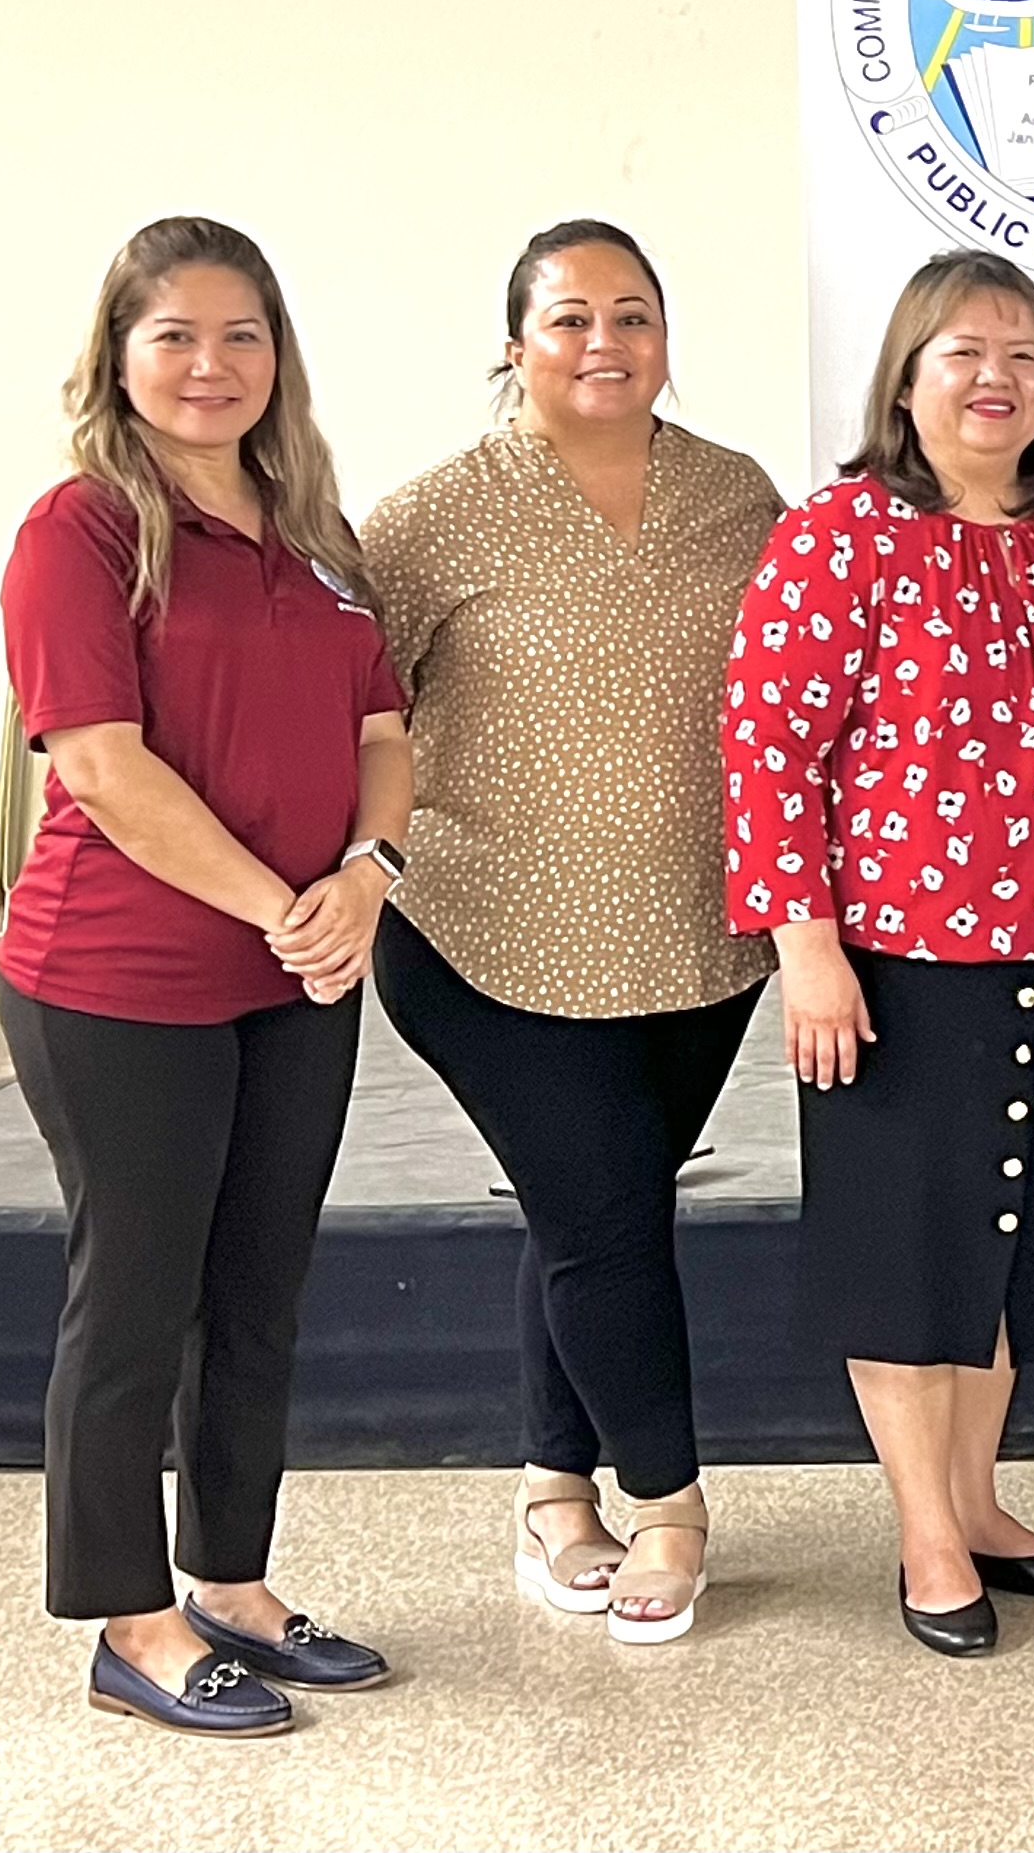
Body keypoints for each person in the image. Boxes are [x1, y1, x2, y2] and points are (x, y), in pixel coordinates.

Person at [725, 249, 1034, 1656]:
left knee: (1008, 1250)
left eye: (1022, 356)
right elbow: (768, 748)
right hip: (890, 966)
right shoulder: (839, 535)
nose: (994, 379)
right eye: (962, 353)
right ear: (906, 376)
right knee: (909, 1259)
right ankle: (925, 1533)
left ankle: (982, 1499)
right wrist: (803, 947)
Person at [0, 217, 411, 1735]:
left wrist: (365, 877)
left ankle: (231, 1580)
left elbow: (382, 728)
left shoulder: (316, 529)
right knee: (137, 1299)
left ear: (278, 356)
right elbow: (102, 766)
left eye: (242, 335)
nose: (210, 364)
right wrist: (281, 902)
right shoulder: (82, 531)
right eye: (173, 333)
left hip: (295, 971)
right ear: (119, 353)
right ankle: (129, 1619)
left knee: (258, 1293)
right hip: (118, 976)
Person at [363, 219, 782, 1644]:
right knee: (608, 1215)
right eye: (569, 319)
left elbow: (785, 704)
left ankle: (554, 1486)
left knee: (589, 1206)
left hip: (697, 941)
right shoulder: (428, 520)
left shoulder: (739, 495)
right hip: (489, 939)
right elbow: (357, 718)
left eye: (634, 315)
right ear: (513, 343)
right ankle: (669, 1501)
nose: (604, 343)